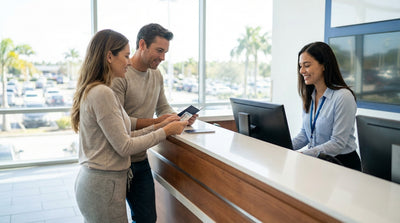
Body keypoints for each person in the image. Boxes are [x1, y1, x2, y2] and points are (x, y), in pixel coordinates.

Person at [71, 29, 187, 223]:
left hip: (105, 183)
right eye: (125, 56)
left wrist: (164, 122)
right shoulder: (103, 93)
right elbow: (125, 145)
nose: (128, 61)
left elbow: (126, 129)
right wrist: (164, 130)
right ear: (109, 57)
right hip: (103, 185)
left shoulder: (100, 90)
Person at [111, 23, 197, 223]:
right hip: (117, 162)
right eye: (159, 51)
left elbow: (163, 107)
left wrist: (180, 118)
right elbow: (119, 123)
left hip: (140, 159)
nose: (163, 58)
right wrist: (160, 123)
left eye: (165, 52)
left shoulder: (156, 75)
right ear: (142, 44)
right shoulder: (120, 76)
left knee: (147, 219)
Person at [292, 41, 361, 171]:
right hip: (317, 161)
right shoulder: (309, 95)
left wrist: (303, 155)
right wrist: (283, 146)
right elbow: (306, 134)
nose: (301, 71)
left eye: (306, 65)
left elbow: (337, 143)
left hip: (342, 164)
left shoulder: (343, 97)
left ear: (324, 65)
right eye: (300, 66)